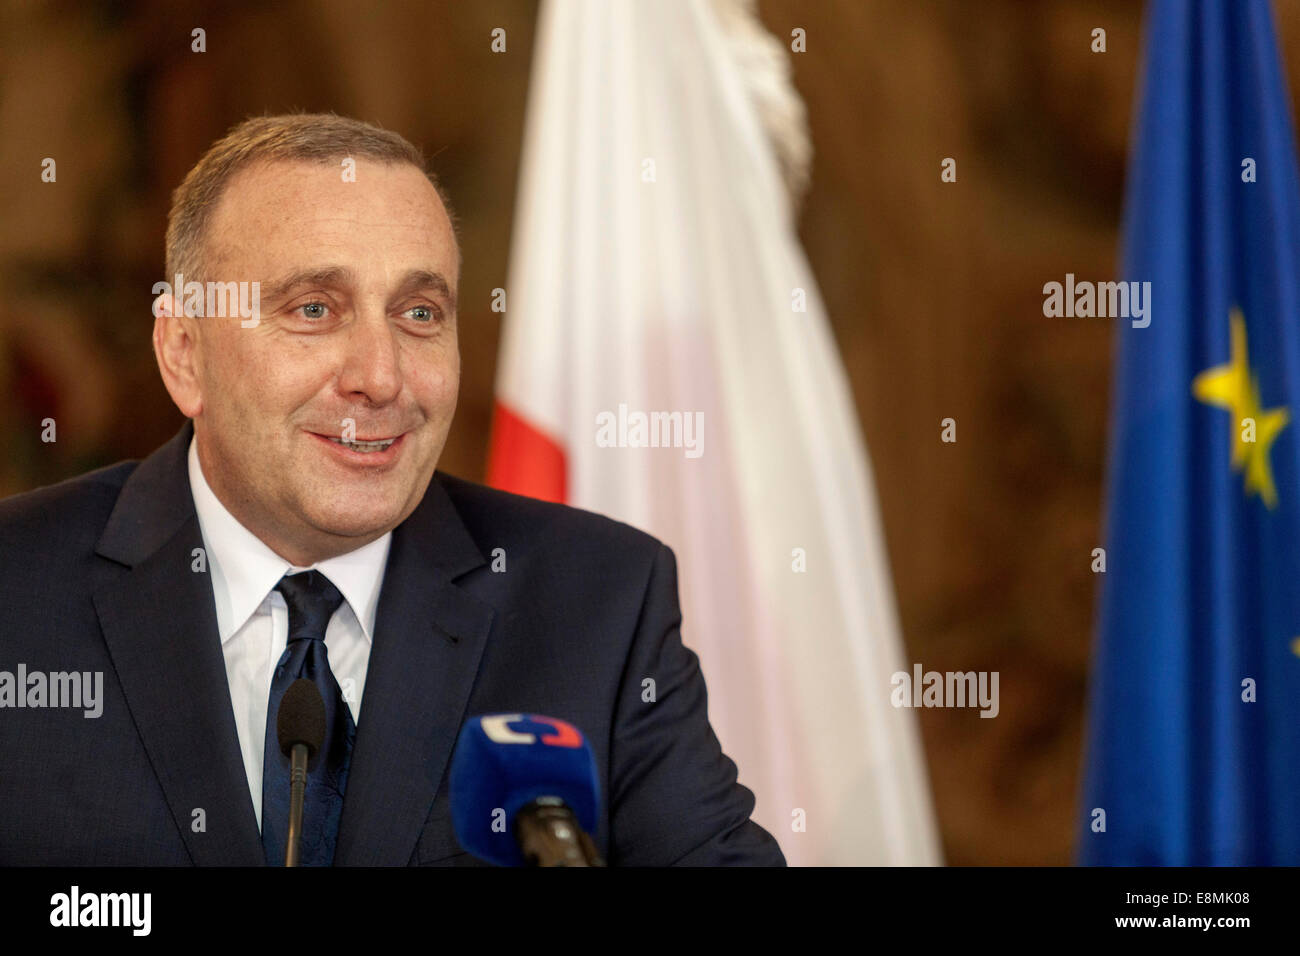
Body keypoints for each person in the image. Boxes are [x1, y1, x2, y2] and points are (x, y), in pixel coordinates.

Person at [0, 113, 785, 866]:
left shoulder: (598, 605)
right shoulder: (16, 593)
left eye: (418, 313)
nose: (381, 377)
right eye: (314, 309)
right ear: (183, 353)